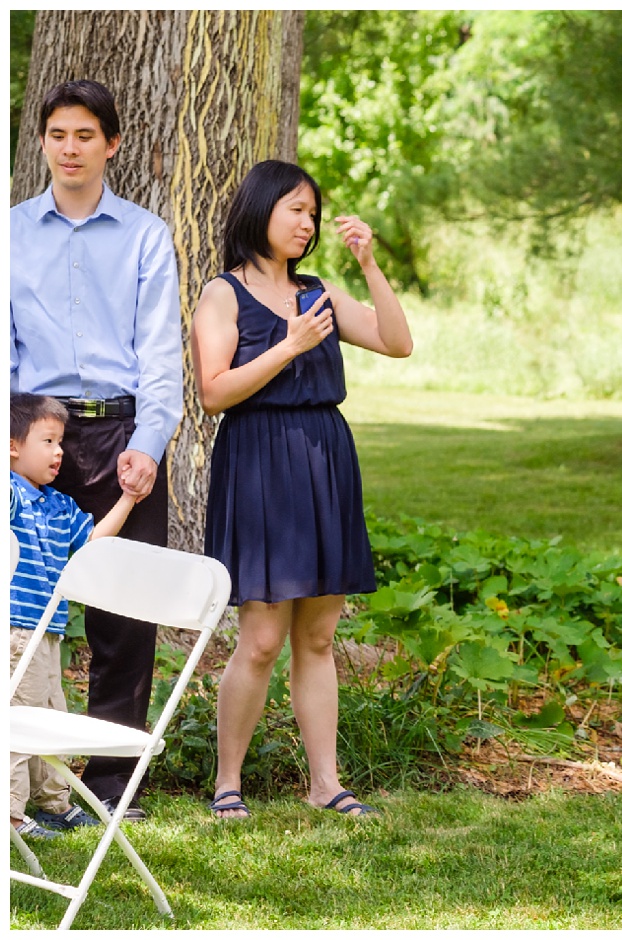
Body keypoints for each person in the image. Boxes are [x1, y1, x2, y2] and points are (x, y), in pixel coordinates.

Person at [190, 160, 412, 820]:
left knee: (317, 638)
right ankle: (227, 781)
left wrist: (370, 266)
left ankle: (325, 783)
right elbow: (213, 392)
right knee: (260, 640)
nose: (307, 222)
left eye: (313, 212)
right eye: (295, 209)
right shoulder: (222, 295)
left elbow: (398, 343)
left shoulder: (320, 292)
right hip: (258, 463)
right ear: (260, 211)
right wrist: (287, 347)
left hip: (323, 462)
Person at [9, 80, 183, 822]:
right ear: (42, 142)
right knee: (15, 612)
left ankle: (111, 786)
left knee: (123, 616)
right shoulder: (11, 232)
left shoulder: (145, 235)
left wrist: (147, 445)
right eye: (57, 134)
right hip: (30, 438)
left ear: (111, 144)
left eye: (86, 135)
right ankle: (23, 781)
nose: (70, 148)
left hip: (120, 437)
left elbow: (161, 357)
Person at [9, 393, 141, 839]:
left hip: (48, 633)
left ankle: (53, 804)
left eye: (60, 442)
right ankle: (9, 814)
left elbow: (91, 545)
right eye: (47, 441)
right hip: (12, 629)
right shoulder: (9, 494)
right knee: (18, 718)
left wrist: (126, 500)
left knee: (50, 716)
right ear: (12, 445)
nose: (59, 451)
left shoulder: (59, 505)